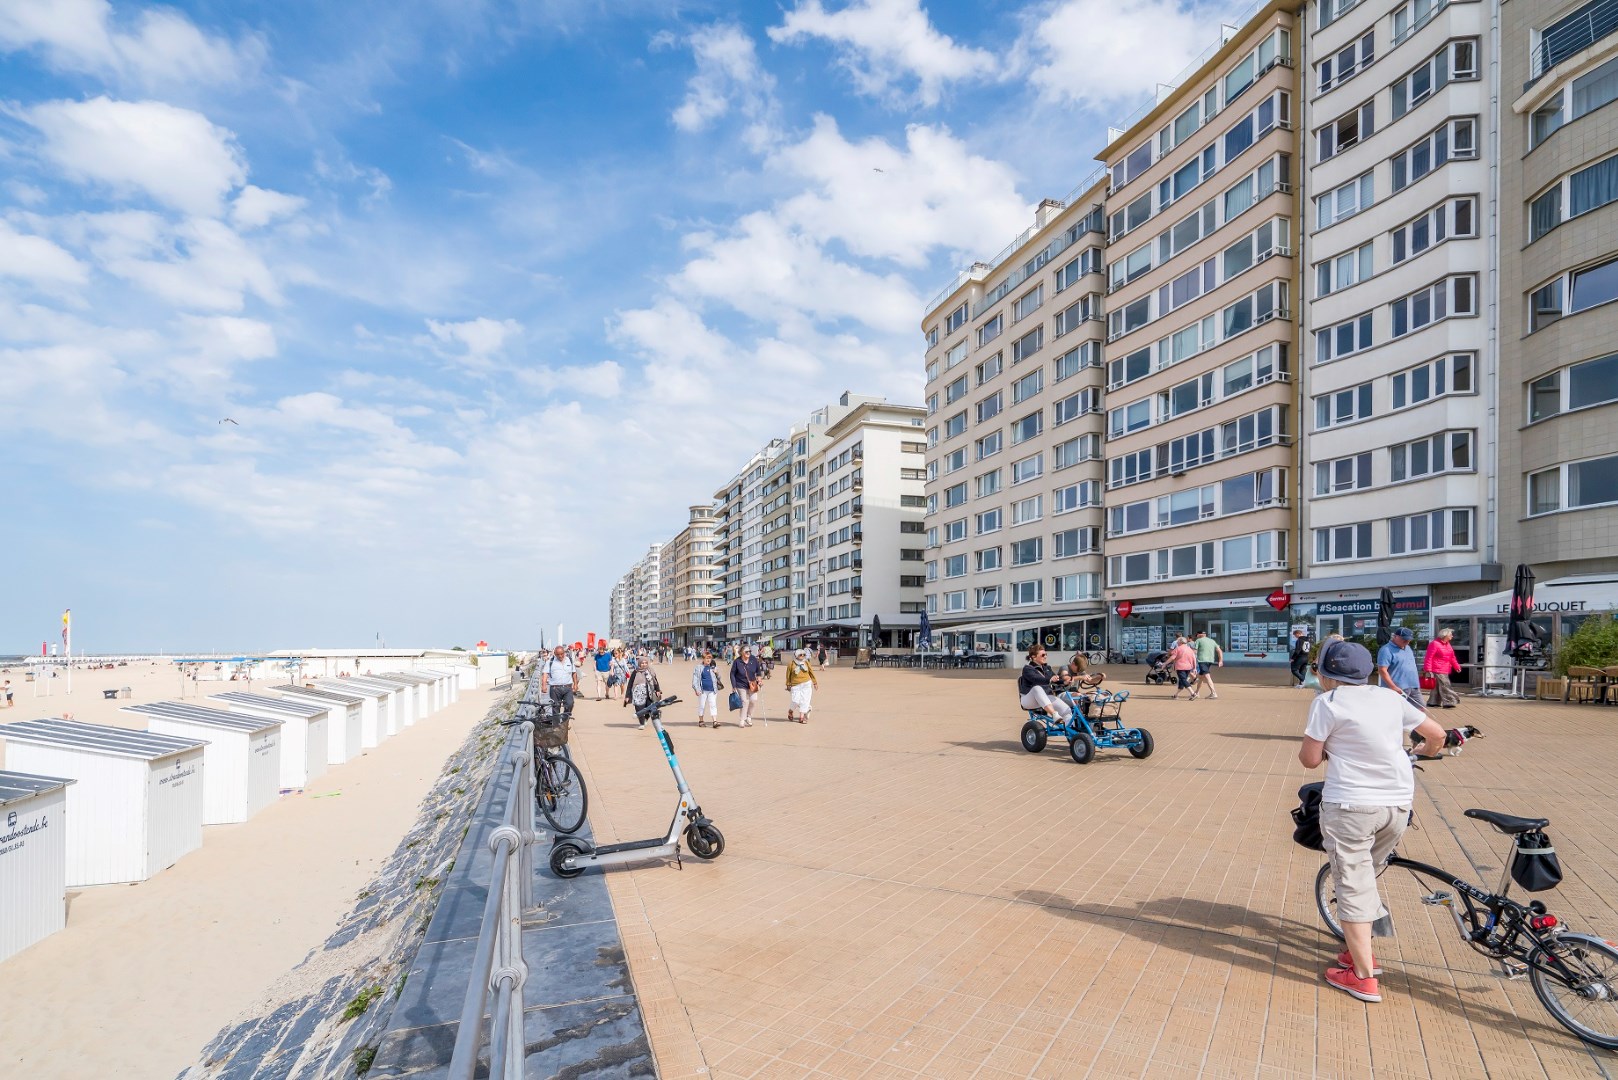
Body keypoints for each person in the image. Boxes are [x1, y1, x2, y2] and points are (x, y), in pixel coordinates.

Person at [1300, 640, 1446, 1003]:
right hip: (1397, 804)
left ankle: (1363, 976)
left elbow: (1309, 759)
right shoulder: (1390, 699)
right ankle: (1356, 948)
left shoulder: (1327, 703)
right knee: (1368, 873)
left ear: (1326, 674)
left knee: (1352, 882)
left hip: (1350, 805)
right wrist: (1416, 753)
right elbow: (1438, 735)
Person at [1376, 627, 1426, 712]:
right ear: (1395, 636)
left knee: (1421, 708)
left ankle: (1412, 725)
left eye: (1409, 640)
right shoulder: (1386, 650)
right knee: (1397, 711)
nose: (1407, 642)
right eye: (1404, 639)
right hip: (1398, 687)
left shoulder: (1408, 648)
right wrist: (1393, 687)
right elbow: (1382, 670)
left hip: (1413, 685)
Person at [1018, 645, 1072, 721]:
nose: (1045, 656)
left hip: (1046, 697)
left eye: (1046, 654)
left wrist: (1065, 682)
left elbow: (1056, 679)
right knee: (1037, 688)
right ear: (1034, 657)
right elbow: (1036, 679)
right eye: (1043, 655)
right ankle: (1054, 714)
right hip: (1028, 700)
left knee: (1066, 710)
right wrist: (1050, 679)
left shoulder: (1047, 668)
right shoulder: (1027, 669)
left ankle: (1069, 730)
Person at [1422, 628, 1462, 709]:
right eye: (1450, 635)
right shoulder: (1434, 644)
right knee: (1445, 685)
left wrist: (1456, 666)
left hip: (1445, 669)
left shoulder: (1448, 645)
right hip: (1437, 669)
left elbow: (1452, 657)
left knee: (1437, 687)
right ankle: (1450, 701)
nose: (1452, 636)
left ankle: (1433, 702)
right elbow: (1429, 657)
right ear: (1445, 635)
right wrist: (1428, 669)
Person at [539, 644, 579, 718]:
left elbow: (574, 673)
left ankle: (565, 721)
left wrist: (575, 684)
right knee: (555, 707)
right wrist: (543, 686)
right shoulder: (550, 662)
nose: (560, 656)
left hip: (567, 687)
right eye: (558, 654)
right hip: (555, 688)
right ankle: (557, 726)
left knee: (570, 704)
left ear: (564, 653)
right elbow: (545, 674)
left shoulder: (569, 660)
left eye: (561, 654)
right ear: (555, 654)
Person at [623, 656, 663, 728]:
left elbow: (655, 682)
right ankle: (642, 723)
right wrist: (627, 696)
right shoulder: (635, 672)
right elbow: (630, 685)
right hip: (638, 694)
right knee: (639, 708)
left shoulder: (650, 671)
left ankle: (645, 719)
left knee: (649, 708)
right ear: (639, 663)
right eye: (642, 663)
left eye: (645, 663)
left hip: (649, 693)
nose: (644, 664)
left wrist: (658, 690)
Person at [729, 644, 761, 727]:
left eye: (749, 651)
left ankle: (749, 717)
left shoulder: (753, 659)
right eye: (746, 651)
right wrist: (734, 685)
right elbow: (732, 673)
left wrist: (759, 679)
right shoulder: (737, 661)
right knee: (744, 701)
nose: (748, 653)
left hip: (752, 684)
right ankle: (742, 720)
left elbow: (758, 670)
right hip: (740, 684)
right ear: (741, 652)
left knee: (754, 700)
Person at [784, 648, 818, 723]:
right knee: (795, 701)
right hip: (795, 685)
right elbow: (788, 675)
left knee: (805, 700)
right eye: (800, 655)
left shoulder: (806, 662)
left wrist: (815, 683)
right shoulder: (791, 664)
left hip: (806, 683)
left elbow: (811, 672)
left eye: (803, 655)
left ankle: (802, 717)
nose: (802, 656)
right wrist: (788, 685)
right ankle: (790, 711)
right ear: (796, 655)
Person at [691, 651, 724, 727]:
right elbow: (695, 680)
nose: (708, 660)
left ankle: (715, 721)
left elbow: (719, 678)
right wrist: (696, 689)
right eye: (707, 658)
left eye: (710, 658)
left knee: (713, 705)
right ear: (703, 659)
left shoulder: (713, 667)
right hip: (702, 690)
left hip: (712, 690)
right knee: (702, 705)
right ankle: (701, 721)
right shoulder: (698, 667)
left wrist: (717, 673)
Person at [1191, 630, 1224, 700]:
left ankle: (1213, 693)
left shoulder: (1198, 640)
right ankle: (1196, 692)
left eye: (1196, 635)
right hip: (1210, 661)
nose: (1196, 636)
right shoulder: (1212, 641)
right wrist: (1220, 660)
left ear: (1199, 635)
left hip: (1202, 660)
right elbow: (1219, 651)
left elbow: (1194, 651)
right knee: (1201, 678)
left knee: (1207, 676)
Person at [1169, 635, 1197, 700]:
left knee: (1183, 680)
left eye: (1178, 642)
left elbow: (1172, 656)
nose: (1177, 643)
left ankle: (1193, 694)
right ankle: (1176, 695)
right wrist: (1194, 668)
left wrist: (1165, 663)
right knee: (1182, 681)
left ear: (1180, 642)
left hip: (1180, 667)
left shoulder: (1178, 648)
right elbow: (1194, 658)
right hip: (1188, 667)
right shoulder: (1189, 649)